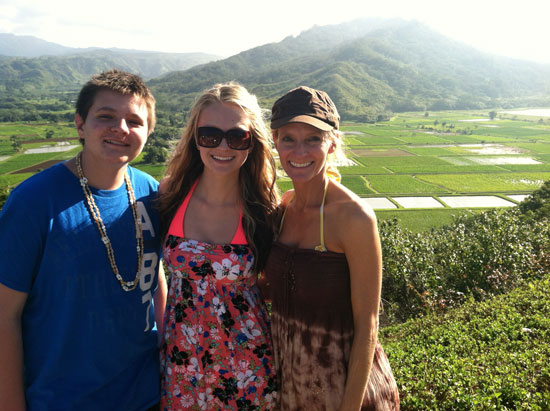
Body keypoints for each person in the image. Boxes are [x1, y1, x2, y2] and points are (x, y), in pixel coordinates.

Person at [0, 69, 167, 411]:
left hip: (146, 397)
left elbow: (157, 279)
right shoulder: (34, 202)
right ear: (80, 124)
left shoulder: (151, 193)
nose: (120, 128)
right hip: (62, 400)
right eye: (105, 116)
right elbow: (4, 316)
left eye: (134, 121)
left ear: (148, 132)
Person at [261, 86, 400, 410]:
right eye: (288, 139)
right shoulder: (284, 208)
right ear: (276, 143)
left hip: (345, 393)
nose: (299, 151)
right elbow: (276, 290)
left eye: (313, 139)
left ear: (333, 142)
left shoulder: (354, 218)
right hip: (292, 390)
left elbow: (368, 324)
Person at [157, 82, 279, 410]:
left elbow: (277, 284)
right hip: (183, 363)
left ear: (252, 142)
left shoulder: (264, 210)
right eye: (209, 135)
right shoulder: (170, 196)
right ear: (194, 138)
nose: (222, 146)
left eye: (236, 136)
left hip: (248, 366)